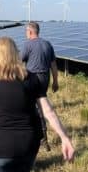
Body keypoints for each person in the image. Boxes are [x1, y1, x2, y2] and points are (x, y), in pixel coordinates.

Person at [0, 37, 74, 172]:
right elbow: (48, 111)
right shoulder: (31, 79)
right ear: (15, 54)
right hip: (27, 148)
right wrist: (64, 138)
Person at [19, 21, 59, 149]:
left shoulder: (28, 45)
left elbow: (19, 62)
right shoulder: (47, 44)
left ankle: (32, 137)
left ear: (30, 31)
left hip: (32, 77)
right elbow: (53, 65)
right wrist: (55, 81)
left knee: (28, 107)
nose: (26, 33)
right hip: (45, 78)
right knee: (42, 108)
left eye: (26, 31)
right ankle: (44, 139)